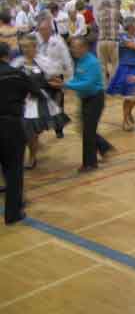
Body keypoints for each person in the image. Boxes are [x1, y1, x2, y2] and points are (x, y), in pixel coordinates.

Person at [51, 36, 114, 172]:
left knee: (88, 132)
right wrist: (65, 84)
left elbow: (88, 83)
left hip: (95, 99)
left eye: (76, 47)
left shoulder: (92, 62)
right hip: (85, 98)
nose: (73, 50)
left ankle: (90, 164)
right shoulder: (80, 60)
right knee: (86, 130)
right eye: (72, 47)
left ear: (84, 48)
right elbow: (78, 79)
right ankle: (104, 149)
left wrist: (66, 84)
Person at [12, 35, 70, 169]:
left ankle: (32, 156)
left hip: (38, 101)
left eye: (28, 46)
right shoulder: (17, 63)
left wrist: (59, 87)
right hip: (20, 101)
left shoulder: (44, 62)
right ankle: (33, 149)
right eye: (23, 46)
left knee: (30, 130)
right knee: (25, 130)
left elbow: (55, 80)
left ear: (35, 47)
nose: (25, 49)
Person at [0, 42, 42, 224]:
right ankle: (13, 213)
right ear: (8, 55)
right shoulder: (17, 74)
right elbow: (36, 92)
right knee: (14, 170)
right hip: (11, 126)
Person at [107, 16, 135, 131]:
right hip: (127, 69)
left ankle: (129, 113)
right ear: (130, 26)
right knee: (129, 97)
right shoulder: (123, 37)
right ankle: (125, 120)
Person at [35, 18, 74, 138]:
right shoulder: (35, 41)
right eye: (41, 29)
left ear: (50, 29)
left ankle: (59, 129)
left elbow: (66, 58)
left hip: (56, 76)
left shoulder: (58, 41)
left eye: (45, 29)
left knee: (58, 104)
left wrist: (70, 78)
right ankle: (39, 128)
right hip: (41, 77)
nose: (43, 32)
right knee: (41, 103)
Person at [96, 0, 120, 83]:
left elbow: (99, 25)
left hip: (101, 41)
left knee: (102, 65)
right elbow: (123, 23)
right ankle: (113, 85)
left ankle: (104, 85)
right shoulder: (116, 12)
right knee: (115, 64)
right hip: (113, 40)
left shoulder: (99, 13)